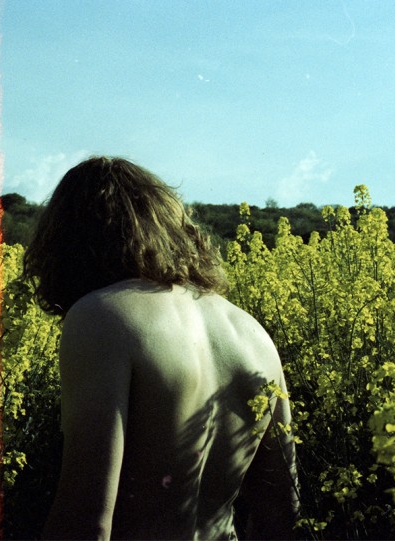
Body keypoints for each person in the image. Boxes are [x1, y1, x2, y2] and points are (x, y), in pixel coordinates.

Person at [23, 157, 299, 540]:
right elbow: (282, 513)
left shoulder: (102, 317)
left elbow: (86, 522)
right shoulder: (252, 334)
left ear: (69, 239)